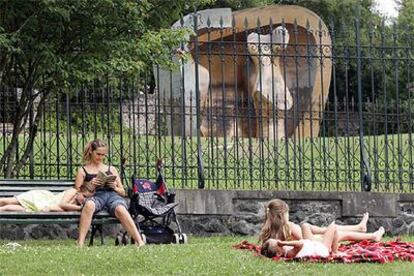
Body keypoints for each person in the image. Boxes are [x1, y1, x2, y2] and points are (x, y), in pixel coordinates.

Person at [74, 139, 145, 248]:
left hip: (112, 196)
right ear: (91, 152)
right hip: (96, 196)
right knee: (89, 205)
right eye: (98, 154)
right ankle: (80, 242)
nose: (100, 157)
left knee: (120, 209)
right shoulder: (83, 170)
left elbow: (123, 192)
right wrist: (90, 185)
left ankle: (139, 242)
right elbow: (78, 194)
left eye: (103, 155)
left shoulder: (111, 169)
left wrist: (115, 187)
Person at [258, 198, 370, 244]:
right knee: (338, 233)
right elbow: (304, 241)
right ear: (281, 215)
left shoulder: (268, 230)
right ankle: (372, 236)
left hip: (310, 236)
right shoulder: (288, 227)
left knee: (322, 229)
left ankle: (359, 227)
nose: (289, 215)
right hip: (314, 241)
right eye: (287, 213)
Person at [261, 222, 385, 258]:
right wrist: (284, 243)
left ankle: (364, 230)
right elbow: (299, 244)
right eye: (277, 243)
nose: (278, 241)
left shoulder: (284, 250)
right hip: (320, 248)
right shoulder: (287, 252)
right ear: (278, 252)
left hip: (311, 243)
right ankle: (335, 251)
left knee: (305, 225)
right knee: (333, 227)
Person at [0, 186, 91, 212]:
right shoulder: (73, 191)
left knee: (7, 208)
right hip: (40, 198)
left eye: (87, 198)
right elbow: (62, 205)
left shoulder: (75, 205)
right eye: (84, 196)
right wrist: (79, 208)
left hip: (41, 206)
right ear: (80, 191)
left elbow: (54, 208)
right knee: (6, 201)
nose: (84, 200)